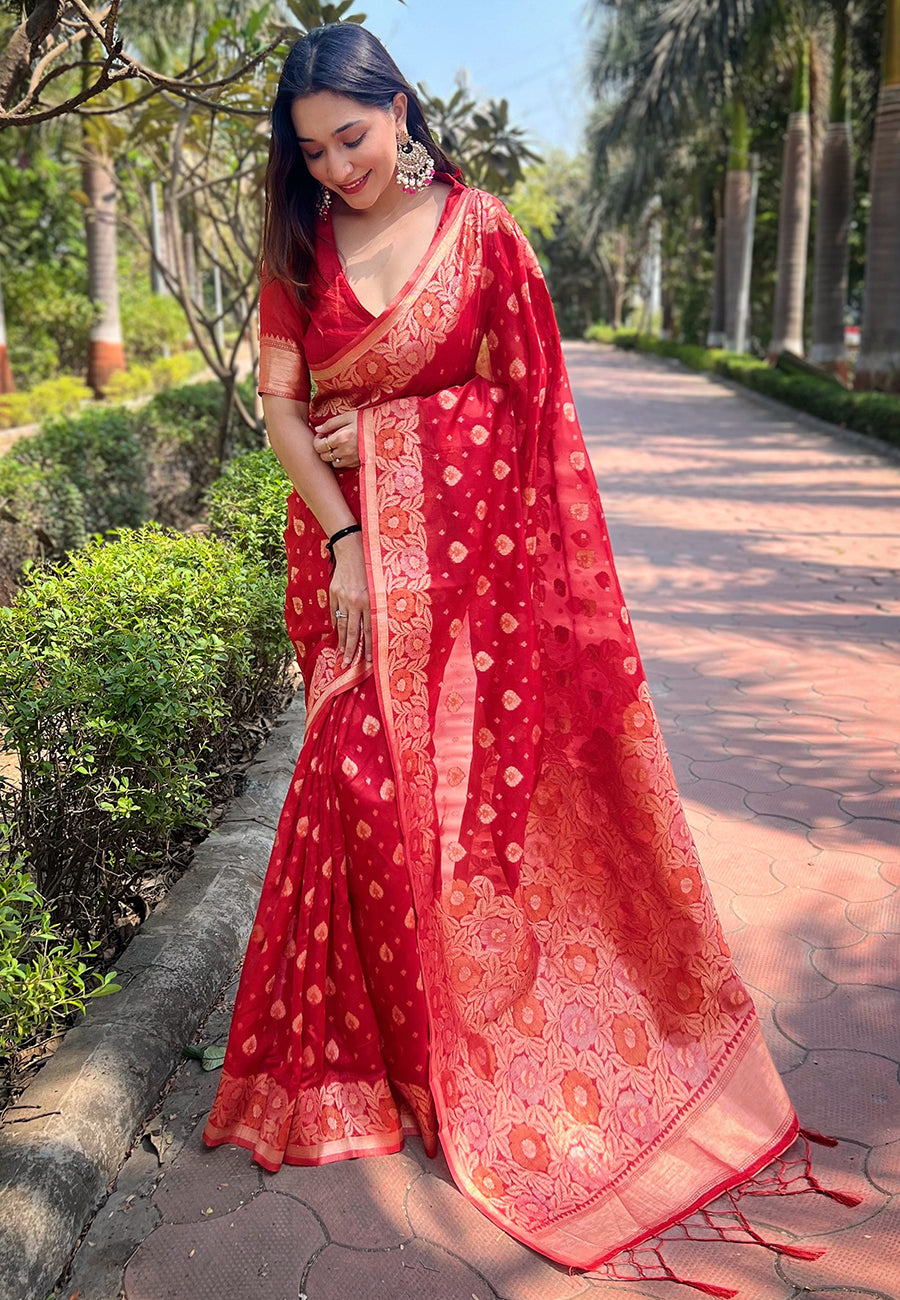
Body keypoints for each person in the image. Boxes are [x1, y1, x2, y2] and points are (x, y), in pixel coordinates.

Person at [203, 23, 848, 1290]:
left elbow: (528, 400)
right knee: (358, 790)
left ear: (401, 110)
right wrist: (342, 529)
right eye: (313, 149)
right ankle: (387, 1063)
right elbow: (282, 404)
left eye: (355, 137)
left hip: (483, 581)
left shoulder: (484, 232)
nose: (338, 168)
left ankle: (483, 1052)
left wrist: (392, 429)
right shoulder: (298, 244)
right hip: (360, 574)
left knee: (479, 818)